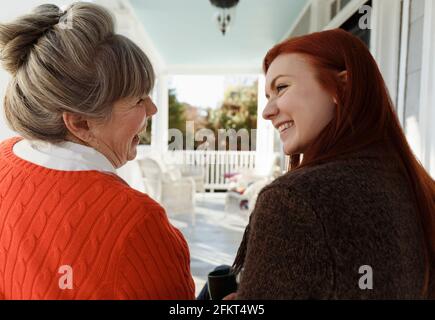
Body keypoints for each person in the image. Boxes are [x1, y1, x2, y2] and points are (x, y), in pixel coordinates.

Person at [0, 2, 195, 299]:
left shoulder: (4, 159)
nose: (153, 109)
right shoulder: (138, 223)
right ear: (80, 123)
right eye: (138, 100)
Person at [230, 29, 435, 299]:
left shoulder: (294, 200)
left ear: (342, 88)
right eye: (268, 96)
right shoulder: (418, 189)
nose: (267, 111)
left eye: (281, 87)